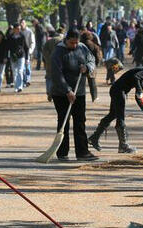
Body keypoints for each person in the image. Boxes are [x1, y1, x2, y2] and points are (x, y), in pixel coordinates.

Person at [88, 63, 143, 153]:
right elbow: (135, 77)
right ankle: (123, 145)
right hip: (119, 91)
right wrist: (139, 90)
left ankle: (94, 138)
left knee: (112, 115)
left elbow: (138, 97)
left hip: (118, 90)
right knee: (120, 117)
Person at [51, 28, 98, 161]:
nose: (75, 45)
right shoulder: (58, 52)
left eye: (76, 42)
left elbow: (91, 60)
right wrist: (67, 90)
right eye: (72, 43)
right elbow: (56, 74)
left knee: (80, 121)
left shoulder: (82, 48)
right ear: (66, 40)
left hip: (79, 91)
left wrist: (87, 68)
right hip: (61, 93)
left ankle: (82, 152)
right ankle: (62, 152)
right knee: (63, 122)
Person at [42, 28, 65, 102]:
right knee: (58, 76)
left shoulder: (49, 41)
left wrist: (47, 59)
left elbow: (44, 50)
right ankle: (55, 92)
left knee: (49, 76)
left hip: (49, 60)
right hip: (58, 61)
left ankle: (49, 91)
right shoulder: (62, 40)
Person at [7, 23, 29, 93]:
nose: (19, 30)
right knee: (14, 72)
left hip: (21, 56)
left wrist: (27, 58)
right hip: (13, 56)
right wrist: (7, 56)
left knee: (20, 71)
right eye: (17, 29)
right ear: (14, 29)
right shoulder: (10, 37)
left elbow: (26, 47)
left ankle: (20, 86)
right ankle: (16, 87)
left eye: (20, 29)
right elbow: (7, 48)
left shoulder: (22, 36)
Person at [20, 19, 36, 87]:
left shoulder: (29, 31)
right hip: (21, 52)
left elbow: (33, 42)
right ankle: (24, 81)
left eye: (23, 23)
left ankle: (28, 79)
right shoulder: (19, 32)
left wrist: (30, 51)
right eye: (21, 23)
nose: (21, 24)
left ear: (25, 23)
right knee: (22, 68)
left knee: (27, 67)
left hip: (28, 51)